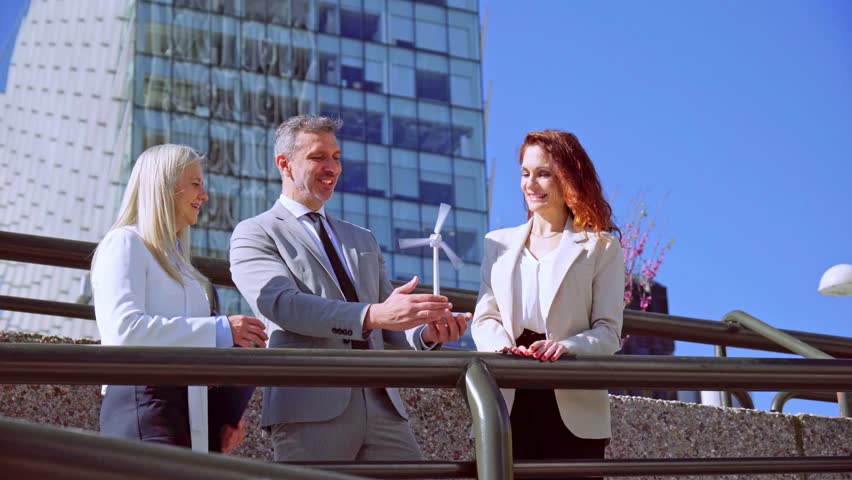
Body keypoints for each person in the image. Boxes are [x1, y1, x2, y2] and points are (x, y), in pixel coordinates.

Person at [229, 115, 471, 462]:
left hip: (383, 408)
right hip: (309, 407)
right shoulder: (255, 232)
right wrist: (374, 314)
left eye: (336, 156)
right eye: (318, 157)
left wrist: (426, 335)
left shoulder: (362, 239)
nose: (332, 167)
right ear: (284, 164)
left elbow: (386, 328)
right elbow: (282, 305)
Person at [91, 144, 268, 453]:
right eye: (195, 184)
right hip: (143, 405)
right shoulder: (124, 243)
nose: (205, 195)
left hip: (187, 413)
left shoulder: (185, 270)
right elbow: (124, 331)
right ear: (164, 187)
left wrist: (222, 419)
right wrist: (221, 329)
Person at [471, 130, 624, 479]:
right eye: (525, 173)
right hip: (507, 395)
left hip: (571, 397)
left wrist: (565, 347)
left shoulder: (601, 247)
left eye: (543, 173)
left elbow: (608, 332)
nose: (531, 183)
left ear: (568, 177)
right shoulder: (497, 244)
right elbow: (485, 317)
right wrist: (503, 351)